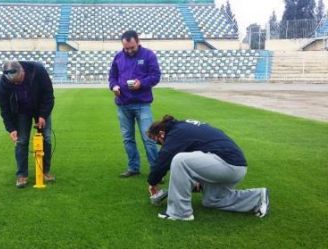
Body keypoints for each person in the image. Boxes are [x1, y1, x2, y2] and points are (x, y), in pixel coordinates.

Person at [147, 115, 269, 221]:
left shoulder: (176, 133)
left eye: (158, 141)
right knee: (212, 200)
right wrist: (200, 180)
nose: (160, 145)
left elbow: (163, 160)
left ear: (161, 133)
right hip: (234, 166)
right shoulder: (183, 126)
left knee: (179, 160)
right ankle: (257, 197)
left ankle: (180, 213)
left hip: (228, 164)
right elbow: (202, 153)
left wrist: (152, 183)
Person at [109, 30, 161, 178]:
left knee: (149, 137)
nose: (129, 50)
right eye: (126, 48)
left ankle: (156, 171)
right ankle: (133, 167)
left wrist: (142, 84)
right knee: (127, 138)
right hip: (123, 104)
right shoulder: (118, 57)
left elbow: (156, 76)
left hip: (142, 104)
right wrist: (114, 87)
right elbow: (112, 77)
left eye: (132, 47)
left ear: (138, 42)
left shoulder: (148, 55)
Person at [0, 61, 55, 188]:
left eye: (18, 81)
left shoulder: (38, 70)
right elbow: (4, 108)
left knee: (46, 137)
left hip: (40, 107)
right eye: (14, 83)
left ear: (22, 71)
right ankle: (22, 175)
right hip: (21, 111)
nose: (16, 84)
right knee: (22, 140)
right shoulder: (3, 84)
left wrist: (43, 115)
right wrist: (11, 128)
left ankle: (45, 171)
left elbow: (48, 94)